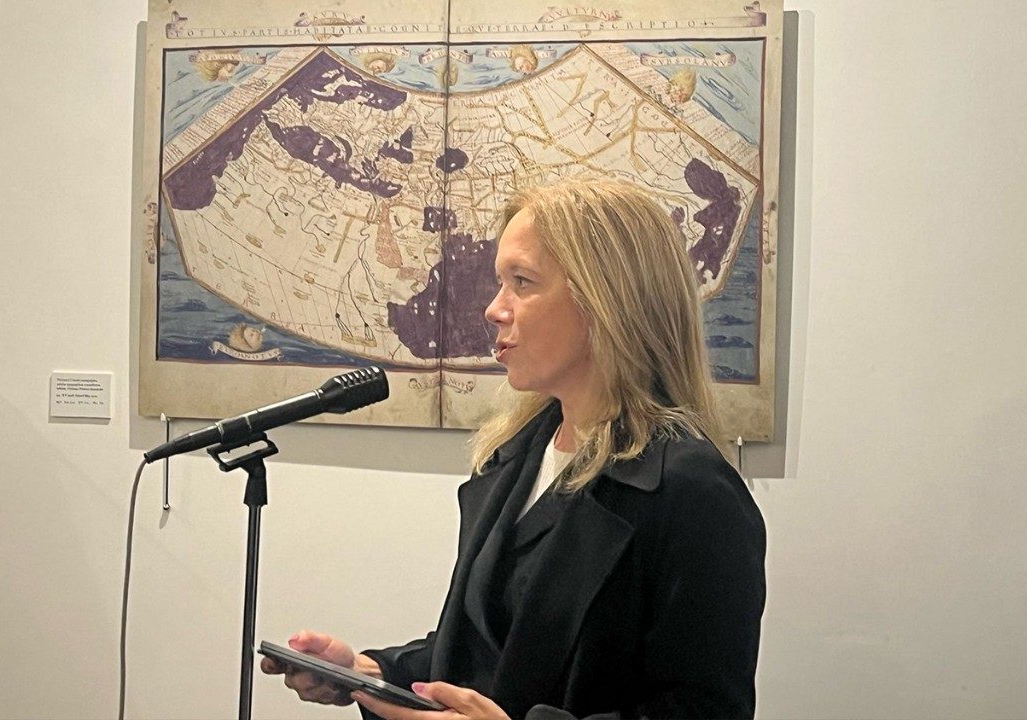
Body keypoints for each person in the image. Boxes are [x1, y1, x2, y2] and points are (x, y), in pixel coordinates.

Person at [262, 178, 767, 719]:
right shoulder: (513, 457)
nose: (493, 309)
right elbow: (488, 653)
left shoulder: (691, 490)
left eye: (521, 282)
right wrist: (371, 674)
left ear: (607, 298)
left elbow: (705, 710)